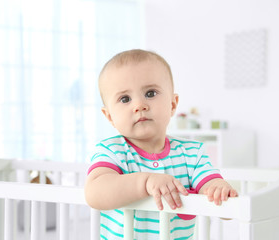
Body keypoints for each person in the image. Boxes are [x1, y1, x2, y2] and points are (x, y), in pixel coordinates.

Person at [85, 49, 238, 239]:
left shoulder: (192, 153)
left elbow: (211, 187)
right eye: (125, 99)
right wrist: (145, 182)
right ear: (109, 116)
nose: (139, 105)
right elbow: (95, 192)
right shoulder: (112, 151)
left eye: (150, 93)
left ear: (173, 104)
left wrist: (219, 189)